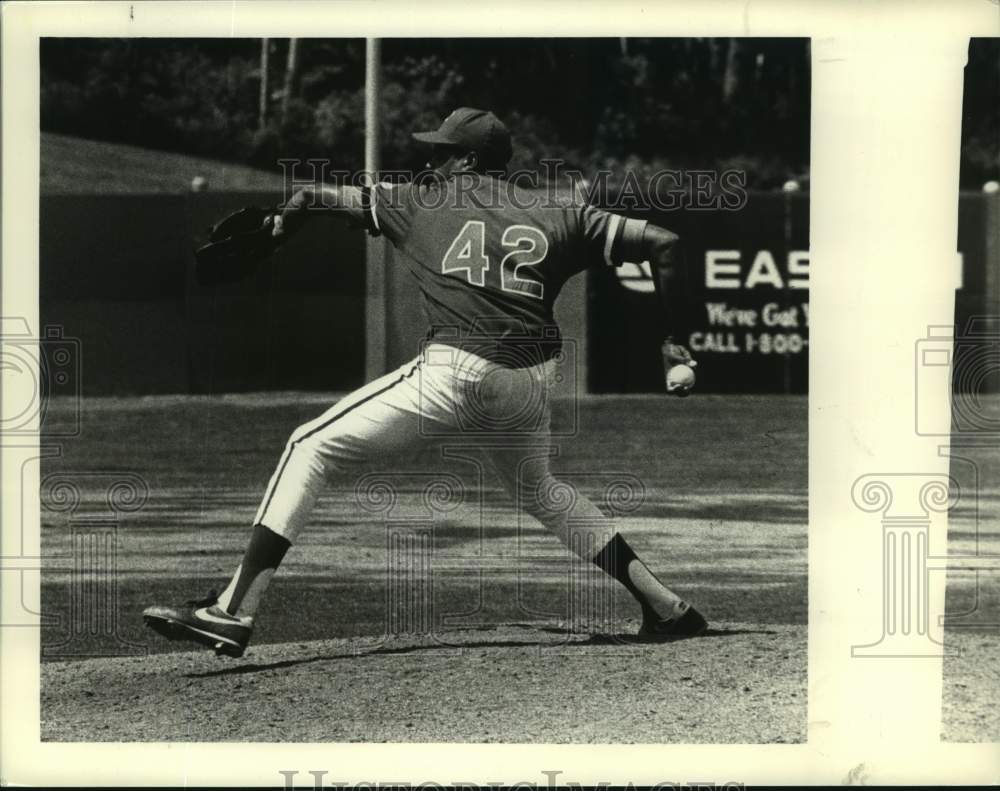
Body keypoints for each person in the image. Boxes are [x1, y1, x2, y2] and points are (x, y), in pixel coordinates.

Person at [143, 107, 707, 657]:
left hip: (458, 369)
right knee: (539, 490)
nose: (429, 160)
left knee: (308, 446)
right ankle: (665, 608)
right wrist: (674, 342)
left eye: (440, 152)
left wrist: (279, 225)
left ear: (466, 159)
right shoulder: (560, 210)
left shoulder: (417, 200)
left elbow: (314, 194)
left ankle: (231, 611)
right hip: (531, 379)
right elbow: (665, 242)